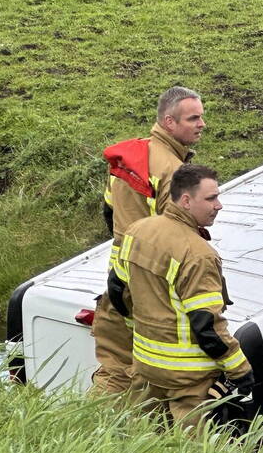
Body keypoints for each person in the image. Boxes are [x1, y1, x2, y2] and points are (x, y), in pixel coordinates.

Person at [112, 163, 253, 427]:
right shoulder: (199, 254)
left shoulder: (136, 231)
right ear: (186, 201)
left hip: (146, 367)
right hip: (189, 379)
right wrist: (240, 370)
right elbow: (207, 325)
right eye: (211, 198)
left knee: (147, 447)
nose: (219, 205)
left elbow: (118, 291)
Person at [92, 86, 206, 395]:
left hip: (118, 278)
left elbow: (109, 211)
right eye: (193, 118)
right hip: (148, 284)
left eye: (201, 117)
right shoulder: (174, 171)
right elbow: (175, 236)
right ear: (170, 122)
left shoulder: (131, 157)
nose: (201, 125)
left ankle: (92, 432)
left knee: (114, 365)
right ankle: (139, 438)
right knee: (155, 376)